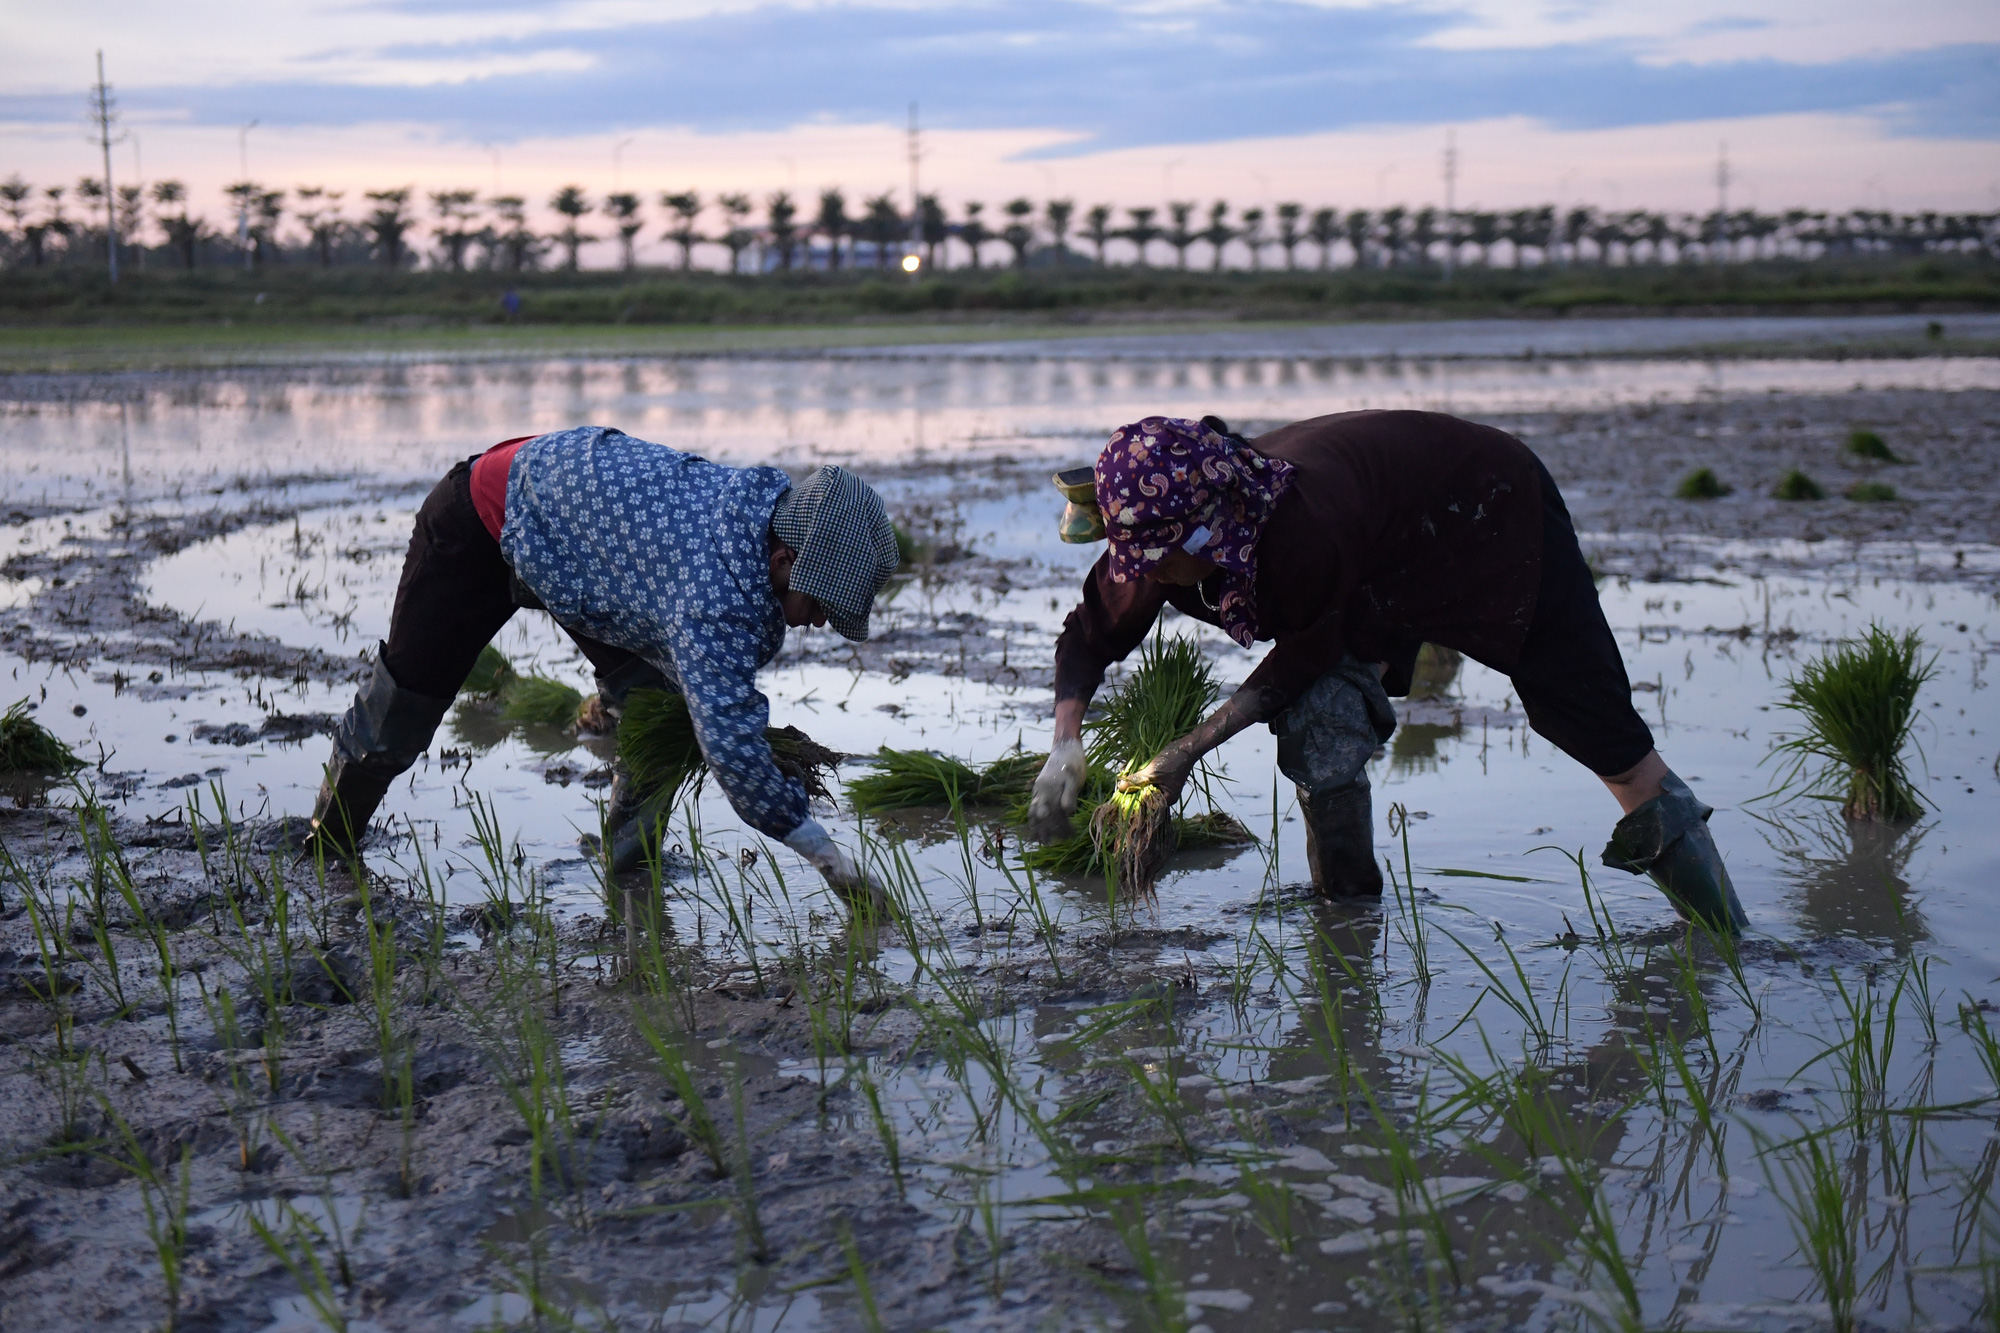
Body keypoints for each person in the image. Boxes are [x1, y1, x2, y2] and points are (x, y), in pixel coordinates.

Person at [1029, 412, 1747, 932]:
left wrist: (1183, 753)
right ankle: (1348, 921)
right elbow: (1091, 631)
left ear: (1209, 524)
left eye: (1160, 554)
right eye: (1137, 554)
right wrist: (1067, 740)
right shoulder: (1157, 526)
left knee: (1592, 725)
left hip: (1482, 510)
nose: (1146, 570)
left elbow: (1299, 658)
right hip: (1371, 555)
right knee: (1321, 727)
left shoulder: (1296, 532)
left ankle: (1728, 941)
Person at [304, 425, 901, 903]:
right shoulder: (713, 596)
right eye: (820, 602)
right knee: (403, 710)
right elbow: (731, 750)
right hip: (483, 519)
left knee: (653, 712)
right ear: (782, 559)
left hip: (583, 548)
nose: (821, 621)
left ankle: (632, 876)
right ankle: (326, 848)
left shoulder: (762, 521)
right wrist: (826, 856)